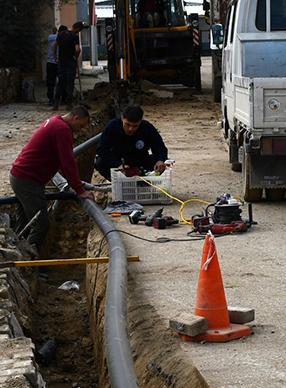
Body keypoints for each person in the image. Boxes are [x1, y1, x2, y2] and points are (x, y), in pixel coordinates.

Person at [10, 106, 95, 248]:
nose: (80, 130)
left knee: (25, 223)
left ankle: (17, 253)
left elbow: (63, 162)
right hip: (27, 180)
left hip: (20, 176)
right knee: (41, 225)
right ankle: (28, 259)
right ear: (75, 118)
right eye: (81, 126)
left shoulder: (55, 121)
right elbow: (68, 163)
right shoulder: (62, 130)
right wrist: (80, 190)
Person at [94, 105, 169, 181]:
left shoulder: (147, 127)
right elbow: (102, 149)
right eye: (127, 124)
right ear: (122, 118)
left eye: (135, 126)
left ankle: (144, 179)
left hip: (139, 160)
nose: (130, 129)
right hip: (118, 160)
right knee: (101, 162)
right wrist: (117, 165)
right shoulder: (113, 126)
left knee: (161, 163)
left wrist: (160, 160)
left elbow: (160, 147)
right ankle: (115, 180)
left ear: (140, 121)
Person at [52, 21, 85, 111]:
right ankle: (69, 104)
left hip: (62, 62)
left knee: (60, 83)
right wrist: (77, 55)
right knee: (70, 83)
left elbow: (54, 46)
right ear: (77, 29)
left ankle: (56, 103)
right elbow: (77, 49)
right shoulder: (74, 36)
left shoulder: (61, 34)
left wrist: (55, 58)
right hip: (70, 62)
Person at [45, 25, 64, 105]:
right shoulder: (60, 37)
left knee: (50, 82)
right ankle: (62, 98)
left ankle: (50, 98)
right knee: (62, 81)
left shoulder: (49, 38)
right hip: (59, 61)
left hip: (50, 61)